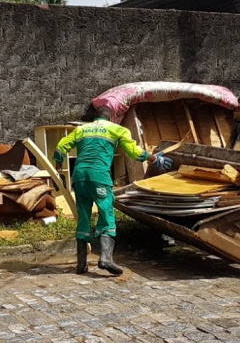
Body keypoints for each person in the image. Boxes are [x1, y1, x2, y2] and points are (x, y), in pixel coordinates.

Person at [53, 105, 172, 275]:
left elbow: (61, 146)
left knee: (83, 216)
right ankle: (106, 259)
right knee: (106, 213)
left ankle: (81, 264)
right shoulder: (118, 129)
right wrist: (154, 159)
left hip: (79, 177)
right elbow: (134, 152)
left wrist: (58, 170)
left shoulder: (82, 129)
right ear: (112, 117)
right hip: (99, 177)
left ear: (95, 117)